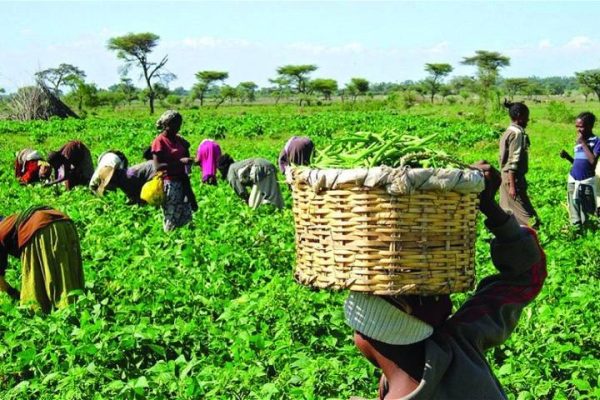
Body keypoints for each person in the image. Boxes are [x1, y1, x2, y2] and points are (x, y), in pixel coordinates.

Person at [346, 162, 546, 399]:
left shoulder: (455, 341)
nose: (449, 303)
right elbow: (526, 276)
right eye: (437, 293)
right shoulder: (458, 343)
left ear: (361, 335)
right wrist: (491, 208)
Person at [0, 206, 84, 313]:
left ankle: (63, 313)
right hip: (65, 223)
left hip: (39, 227)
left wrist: (14, 294)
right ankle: (76, 306)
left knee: (34, 292)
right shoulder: (9, 222)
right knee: (65, 270)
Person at [151, 110, 197, 231]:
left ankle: (185, 243)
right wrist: (180, 162)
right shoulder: (159, 141)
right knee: (171, 218)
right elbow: (158, 166)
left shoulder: (179, 140)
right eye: (175, 124)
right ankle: (169, 243)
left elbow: (186, 152)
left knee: (186, 216)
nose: (178, 127)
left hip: (183, 180)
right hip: (169, 183)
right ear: (166, 125)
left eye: (179, 124)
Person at [498, 100, 540, 228]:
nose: (528, 120)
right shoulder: (517, 133)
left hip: (504, 177)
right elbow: (513, 161)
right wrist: (512, 185)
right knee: (531, 219)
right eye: (526, 116)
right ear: (519, 116)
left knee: (507, 213)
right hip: (513, 179)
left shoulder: (508, 131)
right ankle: (536, 239)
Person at [559, 112, 600, 228]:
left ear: (590, 126)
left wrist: (583, 143)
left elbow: (592, 162)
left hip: (586, 182)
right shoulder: (577, 142)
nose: (578, 129)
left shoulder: (596, 141)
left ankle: (588, 233)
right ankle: (576, 232)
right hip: (573, 180)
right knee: (574, 211)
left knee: (587, 213)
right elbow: (578, 163)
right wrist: (567, 157)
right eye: (577, 126)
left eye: (581, 126)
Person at [217, 154, 284, 209]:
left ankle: (268, 213)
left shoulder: (230, 172)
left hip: (260, 168)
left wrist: (246, 198)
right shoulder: (236, 165)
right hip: (268, 165)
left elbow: (241, 191)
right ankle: (279, 211)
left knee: (253, 205)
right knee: (274, 196)